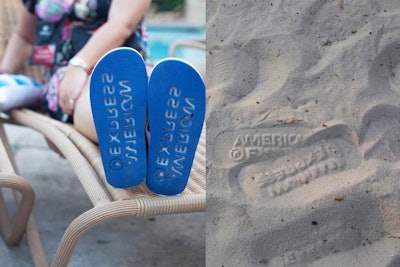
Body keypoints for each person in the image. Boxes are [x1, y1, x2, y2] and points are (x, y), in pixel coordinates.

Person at [0, 0, 151, 143]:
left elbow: (122, 24)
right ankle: (145, 135)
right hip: (67, 78)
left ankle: (142, 133)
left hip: (128, 65)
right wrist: (5, 72)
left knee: (136, 82)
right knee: (98, 90)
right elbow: (25, 37)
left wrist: (80, 64)